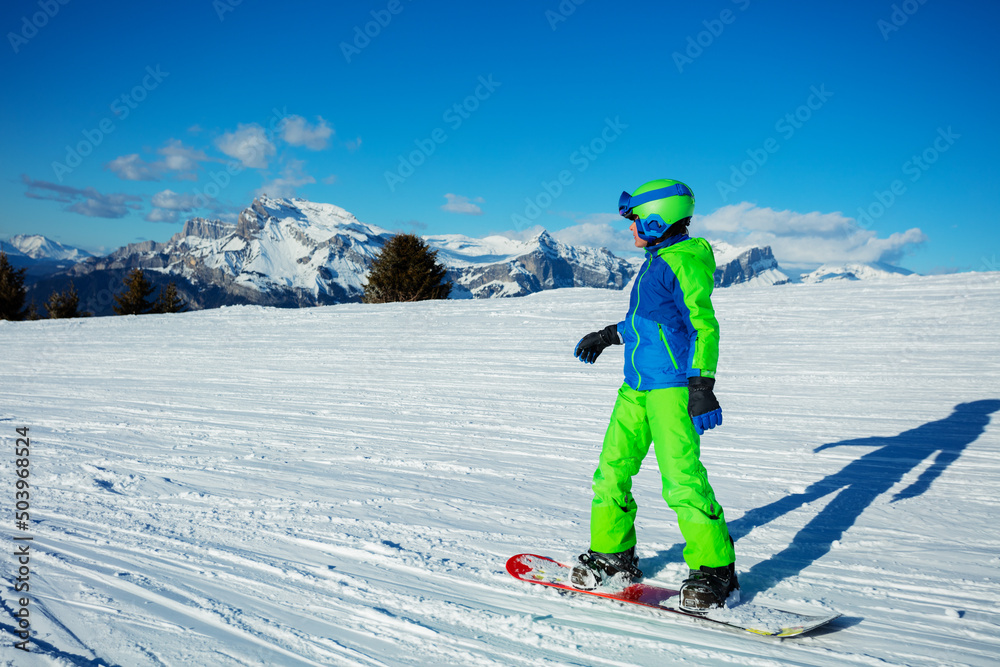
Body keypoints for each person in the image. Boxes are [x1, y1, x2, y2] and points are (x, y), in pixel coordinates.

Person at [570, 179, 738, 612]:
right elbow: (649, 322)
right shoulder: (654, 260)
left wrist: (701, 386)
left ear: (659, 217)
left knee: (681, 480)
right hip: (636, 387)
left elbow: (703, 326)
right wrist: (610, 334)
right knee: (610, 471)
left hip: (671, 388)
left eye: (636, 220)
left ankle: (716, 570)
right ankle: (613, 556)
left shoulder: (682, 261)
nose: (630, 229)